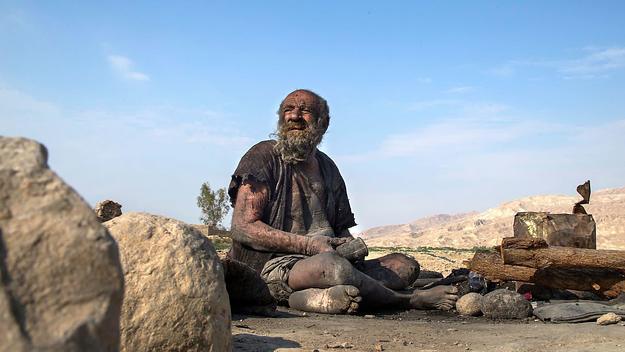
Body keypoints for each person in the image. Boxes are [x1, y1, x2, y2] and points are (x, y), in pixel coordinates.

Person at [227, 89, 458, 314]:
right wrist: (308, 245)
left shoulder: (328, 167)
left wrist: (348, 246)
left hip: (327, 260)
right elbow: (243, 228)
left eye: (304, 110)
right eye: (288, 109)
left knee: (404, 266)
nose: (294, 116)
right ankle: (408, 300)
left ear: (323, 123)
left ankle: (312, 298)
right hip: (276, 266)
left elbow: (340, 229)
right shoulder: (262, 156)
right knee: (334, 268)